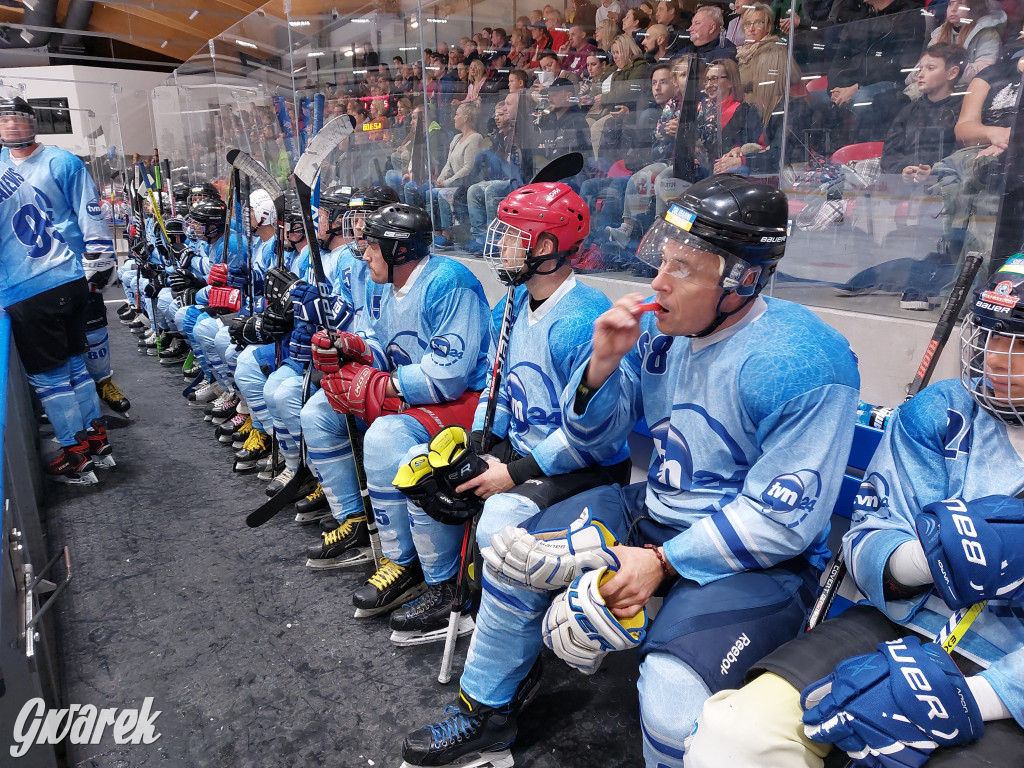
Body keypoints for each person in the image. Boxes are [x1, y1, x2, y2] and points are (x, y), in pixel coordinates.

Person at [401, 175, 861, 768]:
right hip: (655, 512)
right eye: (662, 261)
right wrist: (601, 366)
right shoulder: (662, 335)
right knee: (514, 556)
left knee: (672, 699)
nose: (658, 283)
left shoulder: (802, 360)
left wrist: (663, 565)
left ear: (742, 281)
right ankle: (487, 717)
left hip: (761, 562)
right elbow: (599, 440)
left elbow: (783, 524)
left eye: (684, 268)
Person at [686, 262, 1024, 767]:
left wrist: (977, 698)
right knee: (735, 734)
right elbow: (872, 531)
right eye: (993, 336)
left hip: (1007, 666)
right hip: (904, 622)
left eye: (1019, 344)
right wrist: (925, 558)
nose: (997, 358)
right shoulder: (945, 411)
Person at [390, 183, 633, 645]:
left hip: (585, 466)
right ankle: (448, 593)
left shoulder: (580, 321)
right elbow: (496, 386)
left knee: (500, 513)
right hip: (524, 449)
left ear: (543, 247)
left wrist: (513, 473)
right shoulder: (514, 301)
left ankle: (503, 626)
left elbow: (593, 439)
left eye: (510, 235)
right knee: (424, 468)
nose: (499, 244)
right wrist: (478, 439)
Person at [301, 202, 490, 614]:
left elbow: (448, 376)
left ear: (398, 250)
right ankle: (352, 518)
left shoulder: (449, 282)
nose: (364, 254)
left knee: (385, 437)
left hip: (464, 401)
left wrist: (382, 385)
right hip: (413, 394)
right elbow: (386, 348)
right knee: (317, 412)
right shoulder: (382, 284)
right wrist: (356, 349)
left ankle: (410, 566)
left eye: (372, 245)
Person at [0, 95, 128, 419]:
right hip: (25, 268)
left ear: (33, 123)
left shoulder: (62, 161)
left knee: (92, 325)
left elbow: (87, 207)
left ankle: (103, 381)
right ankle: (67, 406)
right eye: (5, 119)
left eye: (19, 118)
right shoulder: (1, 163)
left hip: (69, 262)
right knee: (50, 347)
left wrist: (98, 254)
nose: (12, 125)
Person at [0, 161, 112, 484]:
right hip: (69, 276)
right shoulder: (6, 168)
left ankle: (74, 455)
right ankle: (96, 441)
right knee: (75, 369)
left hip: (33, 288)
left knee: (51, 380)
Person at [735, 2, 802, 131]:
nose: (751, 29)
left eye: (758, 23)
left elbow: (750, 80)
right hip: (745, 113)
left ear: (769, 26)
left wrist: (733, 82)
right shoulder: (742, 52)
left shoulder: (773, 49)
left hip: (763, 116)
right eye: (748, 24)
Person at [431, 102, 486, 249]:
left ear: (466, 118)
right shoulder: (456, 138)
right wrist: (440, 180)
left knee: (442, 194)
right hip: (452, 183)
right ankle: (436, 233)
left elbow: (468, 168)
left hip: (465, 184)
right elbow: (448, 164)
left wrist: (447, 182)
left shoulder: (475, 138)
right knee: (430, 192)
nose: (454, 117)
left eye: (457, 114)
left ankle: (447, 234)